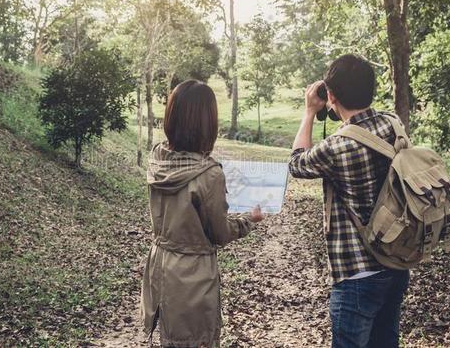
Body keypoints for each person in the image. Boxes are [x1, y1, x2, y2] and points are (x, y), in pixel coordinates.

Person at [289, 55, 410, 348]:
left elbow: (296, 163)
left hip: (358, 273)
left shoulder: (337, 147)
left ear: (331, 96)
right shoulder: (393, 124)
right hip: (396, 261)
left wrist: (309, 112)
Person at [141, 79, 264, 348]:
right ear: (207, 123)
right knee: (196, 341)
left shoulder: (158, 157)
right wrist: (248, 220)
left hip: (160, 267)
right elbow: (220, 233)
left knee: (168, 340)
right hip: (192, 276)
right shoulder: (209, 174)